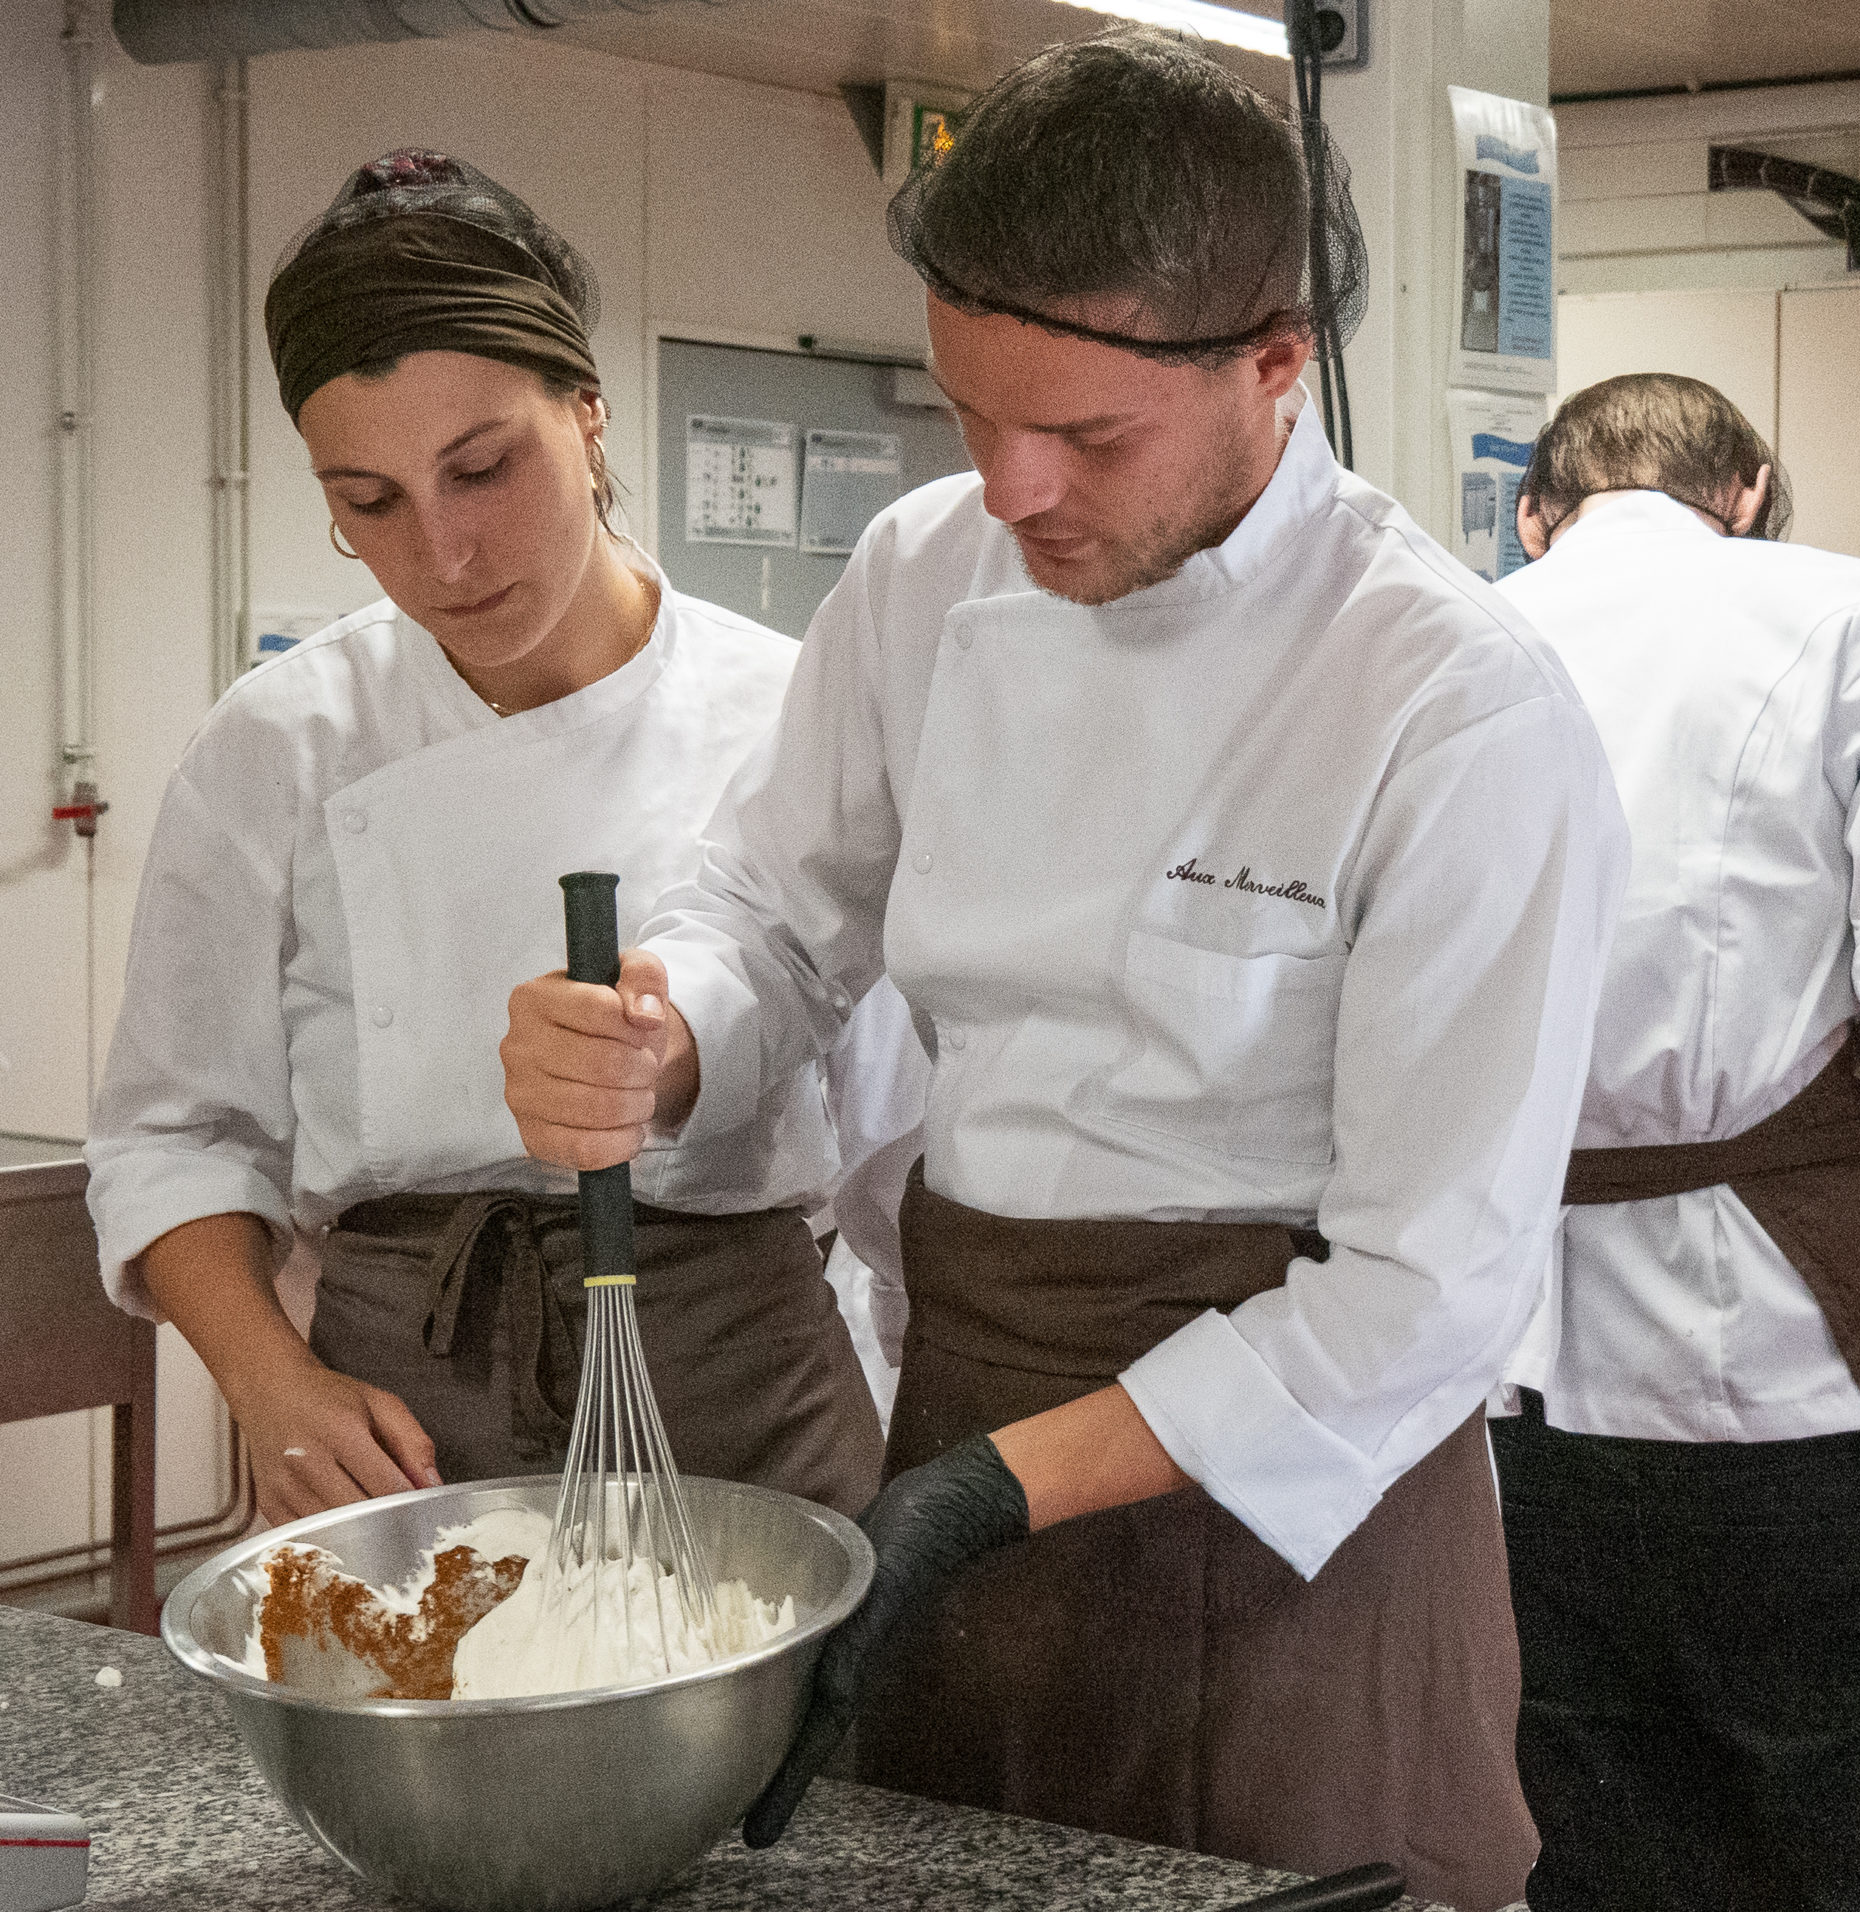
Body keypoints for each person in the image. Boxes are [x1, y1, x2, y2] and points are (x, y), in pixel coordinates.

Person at [498, 30, 1623, 1910]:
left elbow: (1428, 1295)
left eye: (1088, 437)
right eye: (969, 418)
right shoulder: (927, 574)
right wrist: (669, 1028)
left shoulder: (1449, 707)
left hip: (1291, 1518)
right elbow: (780, 904)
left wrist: (996, 1488)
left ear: (1277, 362)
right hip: (969, 1413)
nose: (1013, 491)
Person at [85, 151, 883, 1526]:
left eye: (481, 469)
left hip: (738, 1385)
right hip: (406, 1399)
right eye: (370, 502)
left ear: (587, 411)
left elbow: (895, 1146)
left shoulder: (792, 709)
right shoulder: (281, 745)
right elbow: (175, 1137)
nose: (443, 556)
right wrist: (272, 1387)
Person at [1492, 374, 1860, 1912]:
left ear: (1538, 512)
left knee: (1597, 1859)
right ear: (1746, 491)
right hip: (1785, 1392)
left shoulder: (1451, 638)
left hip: (1506, 1397)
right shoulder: (1859, 616)